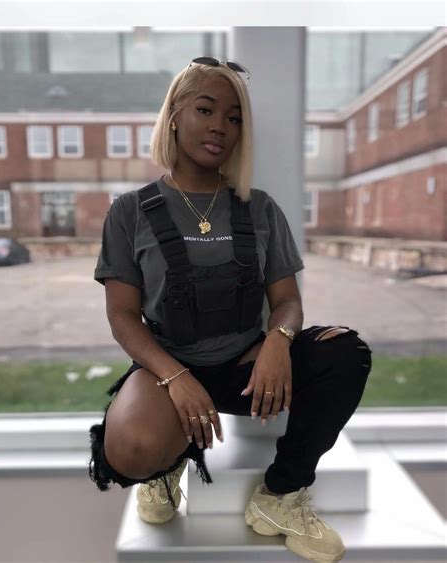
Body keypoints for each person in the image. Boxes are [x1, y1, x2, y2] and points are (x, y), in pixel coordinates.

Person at [88, 56, 373, 562]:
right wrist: (176, 377)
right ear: (174, 116)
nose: (220, 126)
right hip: (168, 369)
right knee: (130, 450)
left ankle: (280, 497)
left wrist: (278, 343)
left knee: (348, 353)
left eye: (234, 117)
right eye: (206, 109)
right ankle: (167, 463)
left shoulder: (259, 207)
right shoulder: (130, 211)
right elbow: (123, 317)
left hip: (247, 368)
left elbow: (287, 302)